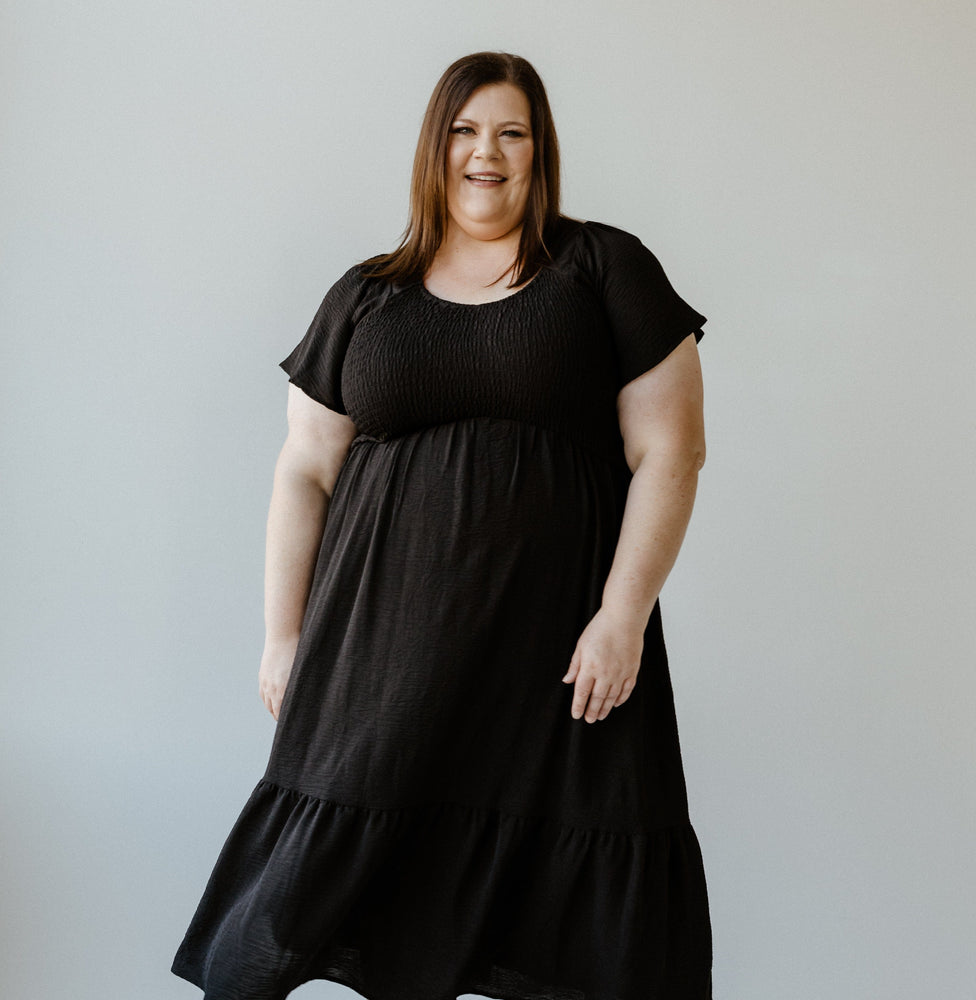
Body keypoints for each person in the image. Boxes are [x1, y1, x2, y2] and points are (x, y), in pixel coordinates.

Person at [172, 50, 713, 1000]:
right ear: (435, 147)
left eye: (512, 132)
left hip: (553, 668)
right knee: (277, 932)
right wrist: (284, 634)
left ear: (541, 150)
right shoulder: (367, 293)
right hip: (378, 658)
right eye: (465, 130)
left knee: (582, 940)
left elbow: (671, 453)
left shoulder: (601, 268)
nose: (486, 154)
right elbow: (304, 470)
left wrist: (622, 616)